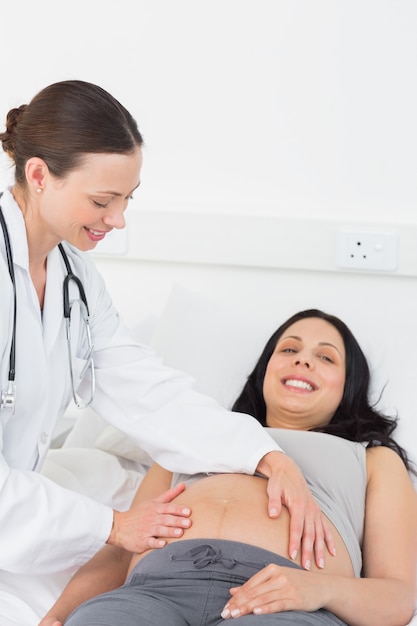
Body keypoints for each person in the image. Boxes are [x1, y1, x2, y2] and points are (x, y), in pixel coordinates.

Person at [0, 80, 330, 624]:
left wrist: (264, 454)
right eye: (102, 200)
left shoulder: (75, 280)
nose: (118, 219)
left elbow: (146, 390)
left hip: (24, 522)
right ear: (39, 176)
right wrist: (113, 526)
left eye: (127, 200)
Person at [39, 309, 417, 626]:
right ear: (265, 369)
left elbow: (398, 594)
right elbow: (124, 547)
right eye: (289, 349)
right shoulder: (191, 435)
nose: (303, 359)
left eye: (326, 357)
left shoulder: (369, 458)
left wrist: (321, 589)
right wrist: (56, 616)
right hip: (150, 592)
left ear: (349, 384)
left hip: (281, 603)